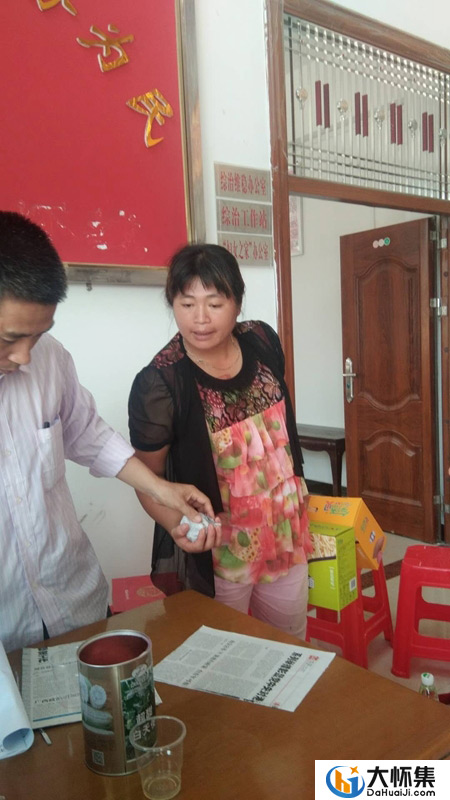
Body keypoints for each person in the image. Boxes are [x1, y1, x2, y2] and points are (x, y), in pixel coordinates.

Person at [0, 211, 218, 653]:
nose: (24, 356)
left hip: (73, 601)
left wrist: (162, 489)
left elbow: (89, 435)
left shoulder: (50, 359)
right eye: (9, 339)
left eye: (37, 336)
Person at [128, 243, 313, 638]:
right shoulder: (160, 383)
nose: (200, 318)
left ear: (237, 303)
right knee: (229, 656)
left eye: (214, 303)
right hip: (221, 553)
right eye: (186, 303)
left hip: (286, 535)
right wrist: (179, 527)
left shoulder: (262, 340)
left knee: (289, 646)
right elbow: (147, 481)